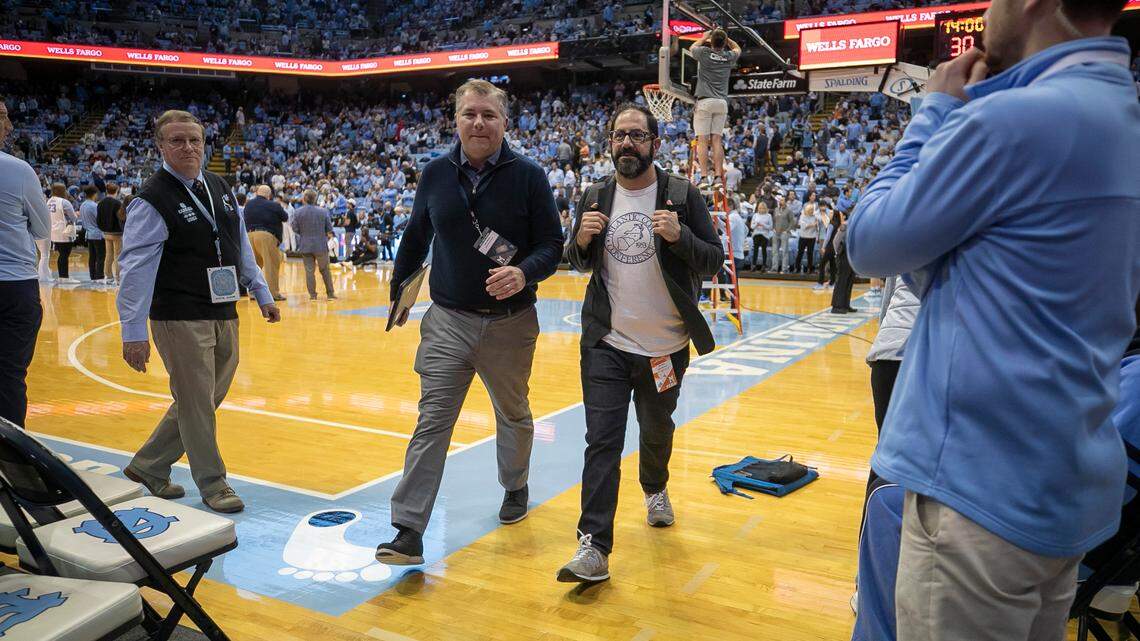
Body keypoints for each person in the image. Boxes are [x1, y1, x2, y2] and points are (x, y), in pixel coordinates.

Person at [846, 1, 1140, 638]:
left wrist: (933, 115)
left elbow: (869, 242)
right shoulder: (1123, 115)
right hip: (1066, 488)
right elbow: (967, 273)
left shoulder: (1016, 120)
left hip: (977, 495)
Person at [375, 79, 563, 565]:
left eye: (488, 115)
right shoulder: (435, 173)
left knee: (514, 413)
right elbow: (416, 237)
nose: (478, 123)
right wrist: (399, 293)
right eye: (469, 114)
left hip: (510, 323)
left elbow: (552, 245)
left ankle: (515, 485)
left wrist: (523, 272)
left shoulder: (530, 176)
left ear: (505, 122)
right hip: (448, 322)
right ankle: (408, 529)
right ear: (455, 120)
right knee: (432, 422)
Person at [559, 103, 723, 583]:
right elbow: (577, 262)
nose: (626, 143)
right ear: (610, 144)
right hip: (607, 344)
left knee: (656, 428)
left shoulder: (681, 194)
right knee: (602, 442)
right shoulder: (595, 195)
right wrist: (582, 243)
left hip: (664, 349)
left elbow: (712, 261)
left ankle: (654, 486)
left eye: (636, 135)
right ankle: (593, 546)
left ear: (654, 142)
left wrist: (680, 237)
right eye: (618, 136)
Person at [116, 110, 281, 515]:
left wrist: (262, 292)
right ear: (160, 146)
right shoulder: (151, 198)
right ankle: (212, 482)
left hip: (223, 309)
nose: (188, 148)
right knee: (196, 401)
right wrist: (132, 331)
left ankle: (150, 466)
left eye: (194, 140)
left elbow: (239, 242)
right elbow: (134, 269)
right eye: (177, 141)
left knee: (206, 397)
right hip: (178, 312)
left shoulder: (219, 185)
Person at [0, 98, 50, 428]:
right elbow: (43, 228)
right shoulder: (17, 170)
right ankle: (9, 465)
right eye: (3, 116)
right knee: (8, 378)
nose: (10, 125)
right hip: (14, 286)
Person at [689, 28, 741, 186]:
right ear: (724, 43)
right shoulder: (728, 56)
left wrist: (705, 37)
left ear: (711, 42)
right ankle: (718, 177)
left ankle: (704, 178)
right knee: (717, 140)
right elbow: (738, 49)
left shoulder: (704, 52)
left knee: (703, 141)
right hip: (721, 102)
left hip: (705, 101)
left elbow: (692, 48)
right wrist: (727, 39)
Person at [243, 184, 289, 301]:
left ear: (257, 192)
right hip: (266, 236)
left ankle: (253, 293)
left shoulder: (248, 205)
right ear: (269, 195)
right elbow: (285, 217)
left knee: (253, 267)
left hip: (249, 236)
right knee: (271, 265)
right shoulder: (274, 205)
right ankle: (273, 294)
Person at [290, 189, 337, 301]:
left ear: (305, 198)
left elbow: (294, 228)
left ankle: (313, 295)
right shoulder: (323, 211)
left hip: (305, 245)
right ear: (315, 199)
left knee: (309, 271)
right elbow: (329, 229)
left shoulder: (298, 212)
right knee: (325, 270)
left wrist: (304, 233)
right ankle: (330, 294)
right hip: (320, 244)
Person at [46, 183, 77, 281]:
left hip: (53, 232)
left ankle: (62, 276)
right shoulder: (64, 202)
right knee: (64, 255)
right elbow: (74, 218)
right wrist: (76, 214)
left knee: (61, 254)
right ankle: (64, 277)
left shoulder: (49, 201)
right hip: (64, 232)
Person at [97, 182, 124, 283]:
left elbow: (98, 219)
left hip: (106, 233)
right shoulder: (117, 203)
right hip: (117, 233)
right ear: (116, 191)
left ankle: (108, 277)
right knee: (118, 256)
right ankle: (118, 278)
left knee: (108, 255)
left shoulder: (100, 203)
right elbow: (120, 219)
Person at [78, 185, 105, 281]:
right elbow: (100, 220)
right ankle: (99, 277)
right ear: (95, 194)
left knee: (92, 257)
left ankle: (92, 276)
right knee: (100, 257)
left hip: (88, 234)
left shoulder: (82, 205)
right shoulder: (94, 206)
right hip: (97, 234)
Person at [770, 192, 794, 273]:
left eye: (783, 200)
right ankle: (774, 268)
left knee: (784, 252)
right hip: (775, 232)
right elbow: (773, 220)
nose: (781, 201)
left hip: (784, 233)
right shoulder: (776, 209)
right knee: (774, 251)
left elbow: (792, 222)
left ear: (786, 201)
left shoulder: (789, 210)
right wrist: (773, 228)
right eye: (780, 200)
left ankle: (784, 269)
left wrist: (787, 230)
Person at [749, 201, 772, 271]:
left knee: (764, 250)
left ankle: (764, 265)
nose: (761, 209)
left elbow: (770, 227)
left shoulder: (769, 216)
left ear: (765, 209)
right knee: (755, 250)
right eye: (760, 208)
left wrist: (763, 224)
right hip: (756, 234)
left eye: (763, 208)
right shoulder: (755, 215)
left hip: (765, 235)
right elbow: (752, 226)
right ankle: (753, 265)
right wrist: (757, 224)